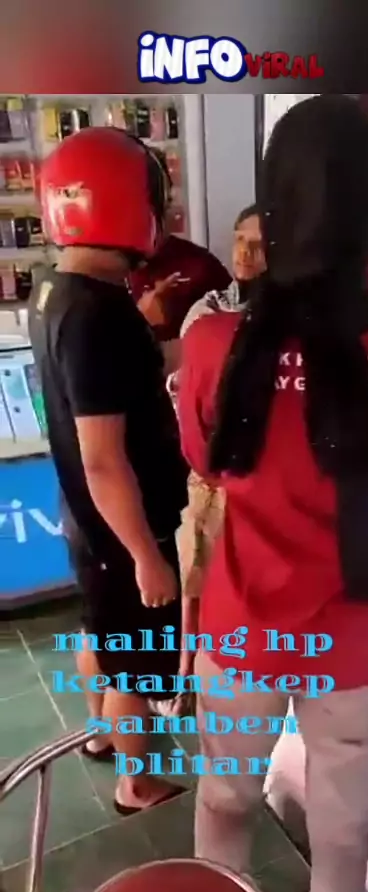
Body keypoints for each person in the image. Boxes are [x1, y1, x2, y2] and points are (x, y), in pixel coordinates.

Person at [178, 96, 368, 892]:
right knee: (342, 841)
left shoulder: (211, 345)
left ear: (271, 217)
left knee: (223, 806)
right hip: (358, 648)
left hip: (241, 638)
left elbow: (205, 459)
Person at [28, 128, 189, 815]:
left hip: (87, 520)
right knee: (135, 664)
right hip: (124, 527)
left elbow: (112, 392)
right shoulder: (99, 313)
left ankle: (98, 734)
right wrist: (147, 557)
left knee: (101, 632)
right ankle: (137, 783)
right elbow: (104, 457)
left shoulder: (56, 290)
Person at [175, 204, 266, 679]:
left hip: (262, 483)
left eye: (259, 244)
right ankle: (186, 678)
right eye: (239, 240)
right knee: (194, 582)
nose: (245, 253)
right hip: (208, 475)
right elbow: (185, 392)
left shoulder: (294, 321)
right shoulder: (207, 311)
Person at [130, 148, 231, 370]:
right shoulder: (104, 274)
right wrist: (140, 321)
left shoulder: (200, 265)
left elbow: (234, 341)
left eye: (163, 202)